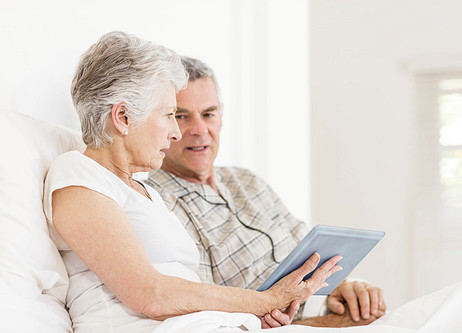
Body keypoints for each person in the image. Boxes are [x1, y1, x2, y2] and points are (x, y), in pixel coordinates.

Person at [42, 31, 343, 332]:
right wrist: (264, 300)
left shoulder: (144, 192)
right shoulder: (78, 173)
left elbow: (187, 293)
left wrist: (254, 317)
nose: (175, 133)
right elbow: (150, 296)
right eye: (170, 115)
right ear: (122, 117)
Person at [145, 56, 386, 328]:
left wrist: (343, 293)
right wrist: (324, 323)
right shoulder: (156, 202)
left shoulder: (246, 180)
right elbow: (202, 311)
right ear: (163, 123)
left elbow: (310, 251)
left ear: (221, 118)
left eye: (209, 114)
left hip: (323, 315)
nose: (200, 130)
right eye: (181, 116)